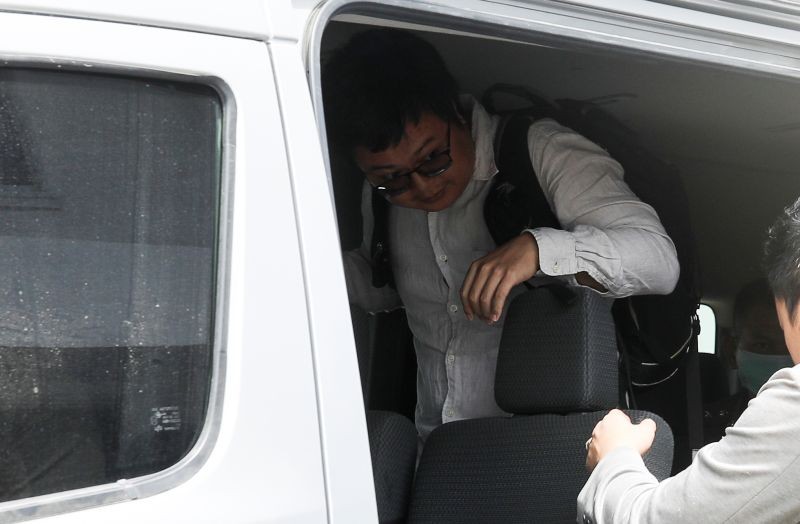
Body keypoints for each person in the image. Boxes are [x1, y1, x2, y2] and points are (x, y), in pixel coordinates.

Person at [323, 28, 679, 441]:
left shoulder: (542, 151)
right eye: (393, 179)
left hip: (555, 454)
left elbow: (658, 260)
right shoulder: (380, 197)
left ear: (455, 112)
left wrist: (539, 248)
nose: (420, 187)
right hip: (438, 451)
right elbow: (383, 288)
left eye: (433, 159)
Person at [578, 196, 800, 523]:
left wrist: (614, 456)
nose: (778, 357)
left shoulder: (791, 411)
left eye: (780, 338)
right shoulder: (696, 424)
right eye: (763, 343)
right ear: (730, 347)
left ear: (785, 303)